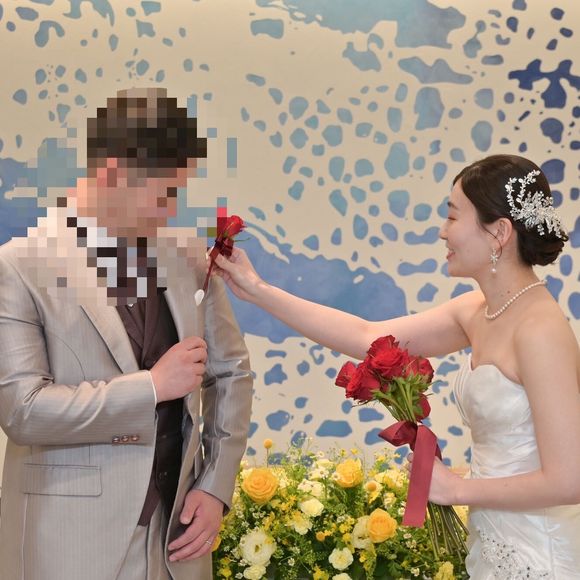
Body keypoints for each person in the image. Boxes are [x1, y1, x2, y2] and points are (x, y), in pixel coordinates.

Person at [214, 154, 580, 578]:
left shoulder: (540, 329)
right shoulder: (478, 311)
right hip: (492, 543)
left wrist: (458, 488)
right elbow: (367, 336)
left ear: (499, 231)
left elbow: (570, 478)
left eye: (453, 216)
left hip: (539, 556)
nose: (443, 231)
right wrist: (258, 290)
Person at [0, 88, 253, 580]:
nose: (170, 211)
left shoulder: (186, 255)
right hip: (69, 546)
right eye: (164, 195)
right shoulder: (18, 266)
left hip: (177, 543)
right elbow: (23, 411)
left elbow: (231, 374)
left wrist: (214, 486)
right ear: (112, 173)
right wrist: (152, 387)